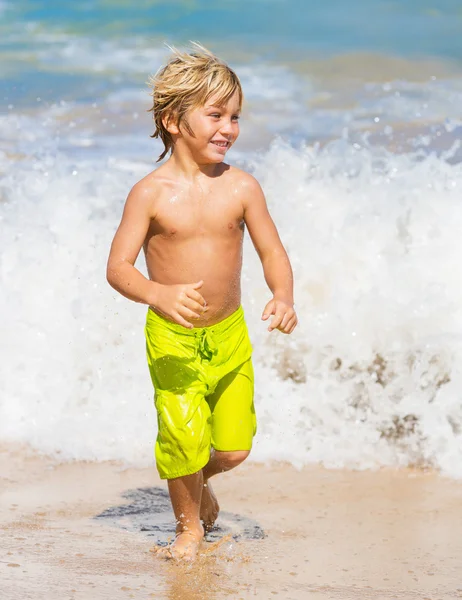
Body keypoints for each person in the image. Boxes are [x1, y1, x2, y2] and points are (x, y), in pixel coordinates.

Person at [106, 43, 297, 561]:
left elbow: (271, 250)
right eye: (215, 114)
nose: (229, 128)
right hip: (172, 337)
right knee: (183, 436)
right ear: (173, 119)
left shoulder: (242, 187)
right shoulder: (149, 193)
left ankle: (194, 479)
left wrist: (283, 294)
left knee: (233, 447)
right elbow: (118, 268)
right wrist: (157, 293)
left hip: (229, 333)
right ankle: (188, 527)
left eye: (235, 117)